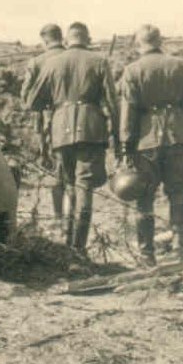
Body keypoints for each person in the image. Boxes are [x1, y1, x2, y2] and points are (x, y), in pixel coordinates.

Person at [26, 22, 120, 253]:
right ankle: (78, 247)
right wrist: (117, 134)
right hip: (91, 129)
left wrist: (57, 104)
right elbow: (112, 102)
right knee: (84, 187)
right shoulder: (99, 61)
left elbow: (31, 102)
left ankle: (69, 244)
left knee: (68, 186)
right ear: (87, 39)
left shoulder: (52, 62)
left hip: (60, 131)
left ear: (67, 40)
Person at [120, 24, 183, 264]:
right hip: (179, 136)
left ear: (138, 44)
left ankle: (147, 254)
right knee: (178, 191)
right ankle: (180, 246)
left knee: (144, 197)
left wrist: (126, 145)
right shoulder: (180, 66)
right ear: (160, 40)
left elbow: (129, 112)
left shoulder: (132, 70)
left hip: (146, 140)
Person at [21, 24, 67, 227]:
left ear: (44, 40)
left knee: (52, 167)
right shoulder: (72, 56)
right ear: (61, 37)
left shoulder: (37, 61)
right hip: (73, 119)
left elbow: (26, 96)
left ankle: (58, 216)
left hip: (48, 119)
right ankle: (72, 216)